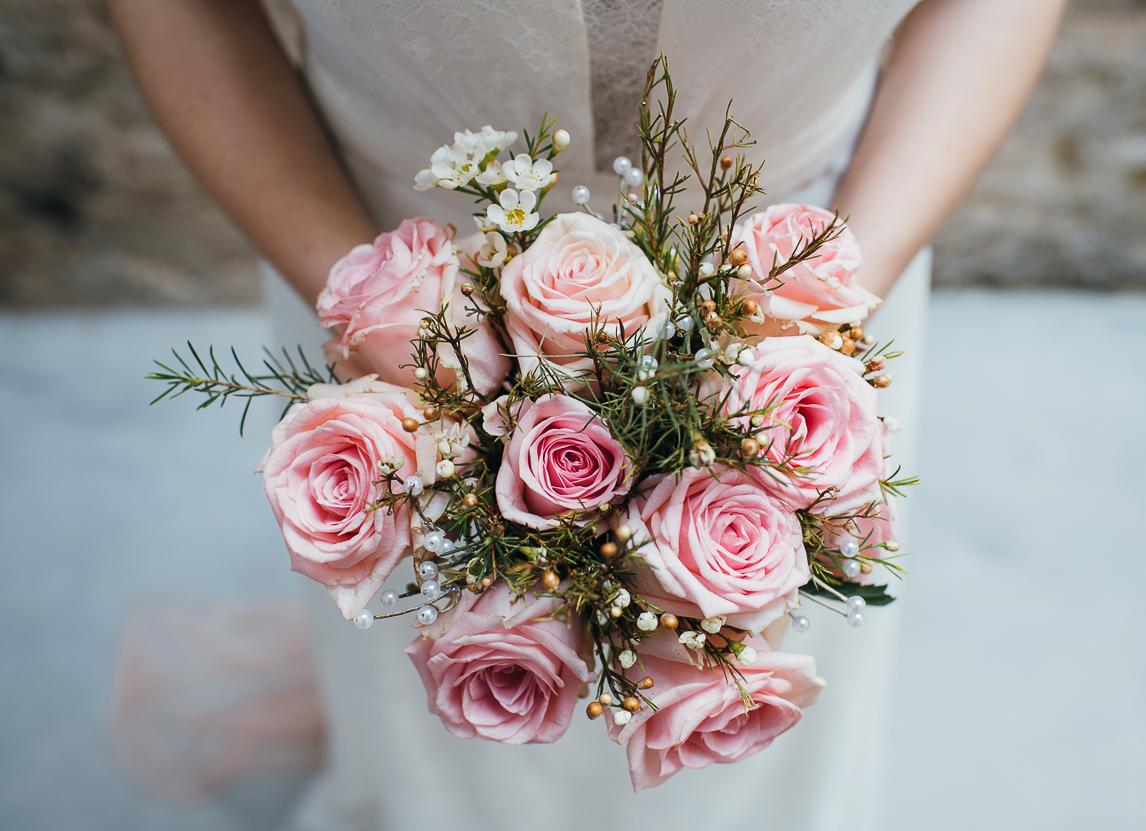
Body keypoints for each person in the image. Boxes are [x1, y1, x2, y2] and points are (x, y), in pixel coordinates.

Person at [108, 2, 1064, 828]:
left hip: (813, 292)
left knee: (756, 746)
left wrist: (820, 306)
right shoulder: (390, 319)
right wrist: (385, 318)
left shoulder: (812, 335)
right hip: (386, 285)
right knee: (436, 742)